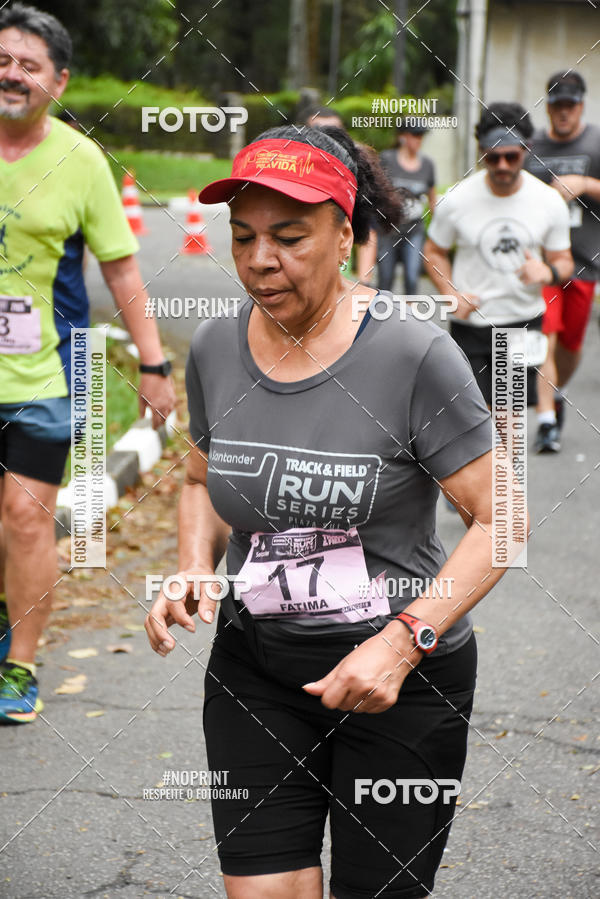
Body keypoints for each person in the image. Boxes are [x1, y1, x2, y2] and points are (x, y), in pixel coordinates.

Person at [145, 123, 522, 899]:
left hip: (400, 682)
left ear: (345, 233)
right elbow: (198, 480)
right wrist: (192, 565)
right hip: (257, 665)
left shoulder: (413, 352)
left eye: (288, 236)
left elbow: (504, 519)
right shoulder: (217, 346)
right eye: (243, 236)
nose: (259, 259)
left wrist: (403, 641)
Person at [0, 3, 175, 723]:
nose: (10, 74)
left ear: (59, 81)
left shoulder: (81, 161)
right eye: (2, 59)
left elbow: (123, 274)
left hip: (43, 377)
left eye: (27, 65)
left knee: (26, 516)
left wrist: (156, 367)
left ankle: (20, 664)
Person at [424, 102, 573, 423]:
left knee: (506, 426)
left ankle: (508, 471)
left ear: (526, 149)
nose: (502, 164)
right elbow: (433, 251)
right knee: (472, 424)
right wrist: (450, 292)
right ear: (481, 152)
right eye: (492, 157)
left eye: (511, 156)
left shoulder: (548, 201)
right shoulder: (457, 200)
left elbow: (565, 262)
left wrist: (547, 271)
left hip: (522, 322)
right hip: (471, 325)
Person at [525, 71, 600, 452]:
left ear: (581, 106)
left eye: (570, 106)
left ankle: (556, 393)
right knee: (546, 339)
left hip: (587, 261)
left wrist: (586, 185)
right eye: (557, 106)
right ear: (548, 106)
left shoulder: (596, 141)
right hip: (545, 264)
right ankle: (547, 423)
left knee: (571, 346)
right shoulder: (532, 146)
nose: (563, 113)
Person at [376, 124, 437, 294]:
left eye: (421, 136)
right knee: (385, 279)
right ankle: (380, 317)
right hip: (388, 229)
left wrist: (436, 231)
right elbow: (376, 190)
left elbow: (432, 198)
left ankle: (410, 318)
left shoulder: (427, 165)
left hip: (414, 229)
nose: (418, 140)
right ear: (402, 136)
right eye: (415, 135)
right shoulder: (387, 159)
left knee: (412, 277)